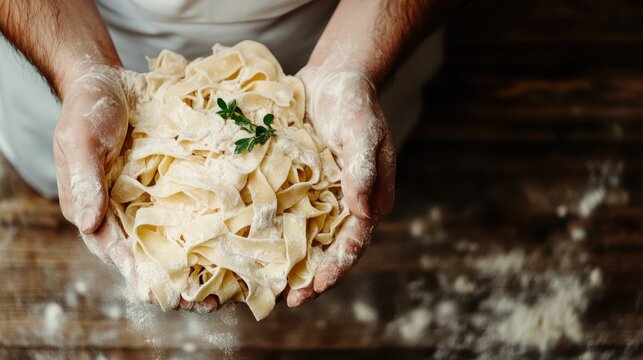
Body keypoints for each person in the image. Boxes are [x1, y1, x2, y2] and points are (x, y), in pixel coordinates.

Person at [0, 0, 455, 310]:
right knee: (86, 186)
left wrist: (353, 64)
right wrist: (80, 72)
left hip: (350, 35)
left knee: (359, 171)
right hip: (66, 39)